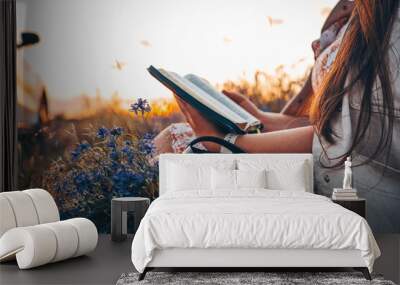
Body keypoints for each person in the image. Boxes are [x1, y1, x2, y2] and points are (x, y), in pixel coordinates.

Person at [155, 0, 400, 233]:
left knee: (178, 144)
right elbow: (330, 119)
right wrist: (262, 119)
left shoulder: (390, 29)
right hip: (327, 152)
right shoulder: (354, 12)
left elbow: (355, 134)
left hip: (351, 180)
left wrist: (224, 142)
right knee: (174, 138)